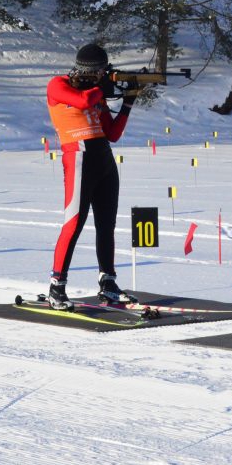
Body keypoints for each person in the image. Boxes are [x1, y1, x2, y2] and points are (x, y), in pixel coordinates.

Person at [45, 43, 138, 310]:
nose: (102, 76)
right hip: (79, 157)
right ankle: (56, 286)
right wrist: (103, 88)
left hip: (104, 158)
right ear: (88, 70)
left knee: (106, 224)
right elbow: (83, 101)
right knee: (74, 223)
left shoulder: (96, 92)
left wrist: (127, 103)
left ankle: (108, 282)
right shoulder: (58, 84)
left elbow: (113, 133)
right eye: (99, 72)